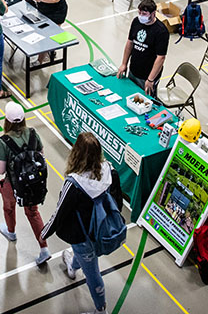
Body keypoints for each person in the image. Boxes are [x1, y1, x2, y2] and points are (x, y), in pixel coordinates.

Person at [42, 132, 123, 314]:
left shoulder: (74, 183)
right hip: (103, 232)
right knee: (87, 259)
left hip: (82, 236)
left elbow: (60, 213)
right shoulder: (111, 171)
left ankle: (101, 310)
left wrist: (44, 233)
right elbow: (118, 202)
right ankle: (72, 266)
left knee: (92, 273)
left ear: (76, 153)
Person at [0, 102, 51, 266]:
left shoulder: (3, 141)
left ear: (6, 120)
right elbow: (41, 156)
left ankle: (11, 232)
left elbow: (0, 170)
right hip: (33, 185)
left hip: (13, 185)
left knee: (9, 207)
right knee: (33, 213)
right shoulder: (33, 133)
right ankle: (44, 248)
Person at [117, 0, 169, 96]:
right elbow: (130, 43)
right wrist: (124, 64)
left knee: (145, 101)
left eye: (144, 14)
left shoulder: (161, 31)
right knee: (129, 95)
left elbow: (161, 57)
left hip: (147, 75)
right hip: (134, 70)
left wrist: (150, 79)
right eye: (139, 13)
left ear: (153, 13)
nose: (141, 16)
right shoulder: (136, 22)